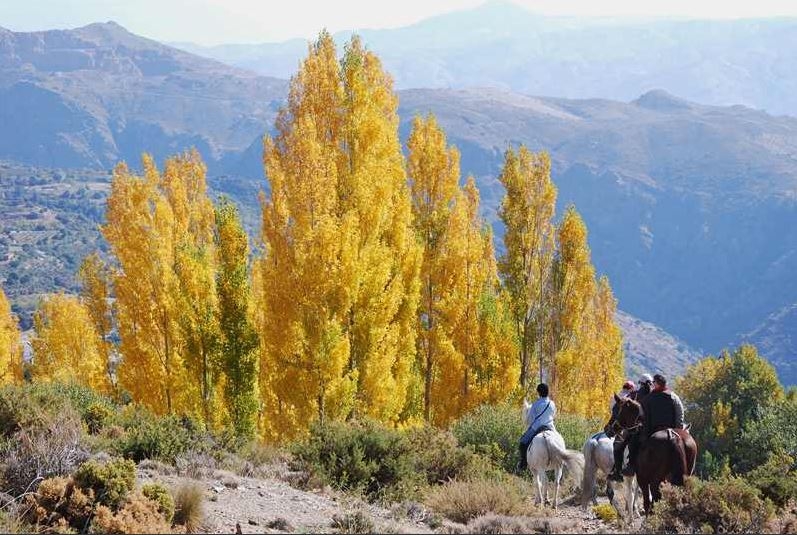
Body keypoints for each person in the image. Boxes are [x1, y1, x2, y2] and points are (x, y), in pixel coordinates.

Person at [517, 383, 556, 472]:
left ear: (539, 393)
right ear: (547, 392)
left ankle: (523, 464)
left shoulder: (535, 404)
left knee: (522, 442)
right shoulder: (552, 404)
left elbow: (530, 419)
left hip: (537, 427)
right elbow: (553, 415)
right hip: (550, 427)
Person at [606, 380, 636, 482]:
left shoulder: (616, 397)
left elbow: (611, 410)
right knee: (620, 446)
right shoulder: (631, 397)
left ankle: (616, 472)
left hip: (613, 422)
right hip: (624, 425)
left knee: (617, 446)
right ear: (631, 388)